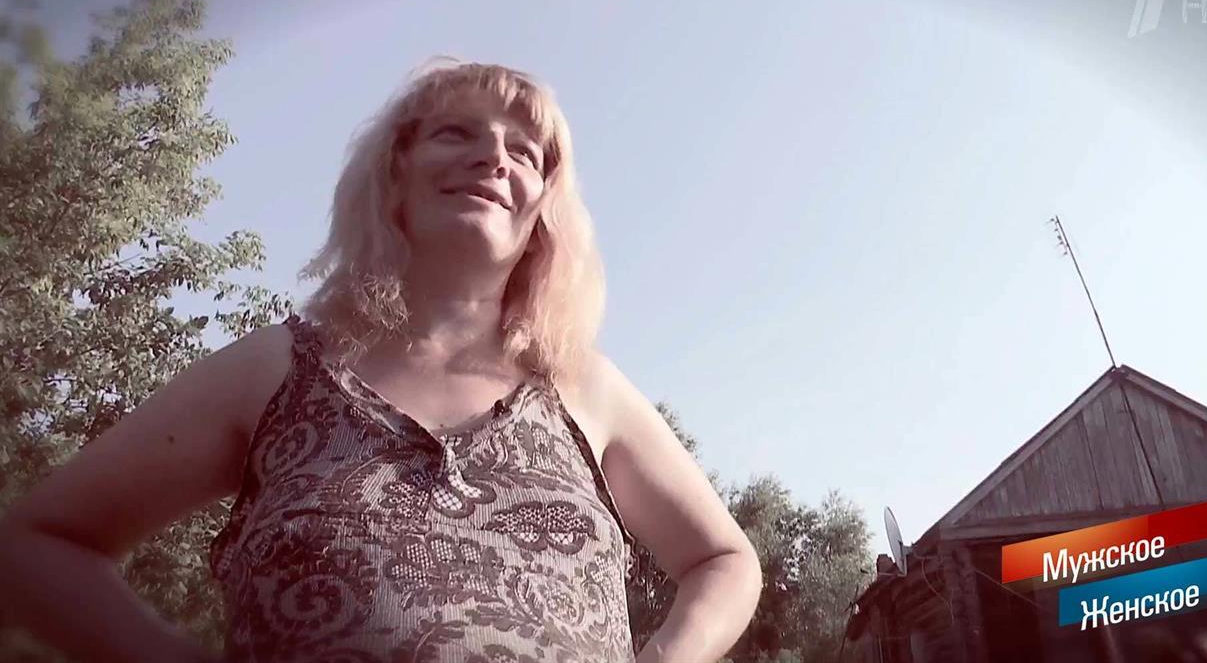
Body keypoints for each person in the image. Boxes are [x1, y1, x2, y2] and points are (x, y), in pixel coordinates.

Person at [0, 57, 763, 662]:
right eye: (455, 133)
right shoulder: (275, 368)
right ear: (394, 174)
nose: (493, 157)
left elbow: (727, 560)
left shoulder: (584, 387)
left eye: (524, 151)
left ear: (543, 212)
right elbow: (36, 543)